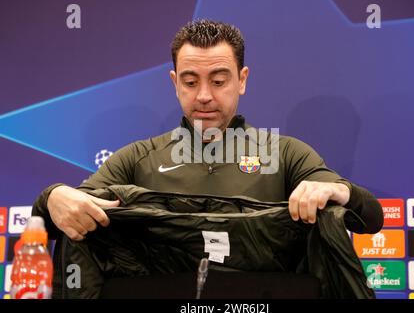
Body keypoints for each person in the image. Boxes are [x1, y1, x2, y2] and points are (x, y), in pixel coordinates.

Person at [32, 19, 383, 243]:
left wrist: (339, 191)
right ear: (175, 83)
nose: (203, 96)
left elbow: (371, 218)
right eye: (190, 81)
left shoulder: (288, 155)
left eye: (218, 80)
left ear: (242, 80)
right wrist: (53, 196)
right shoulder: (137, 160)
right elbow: (51, 223)